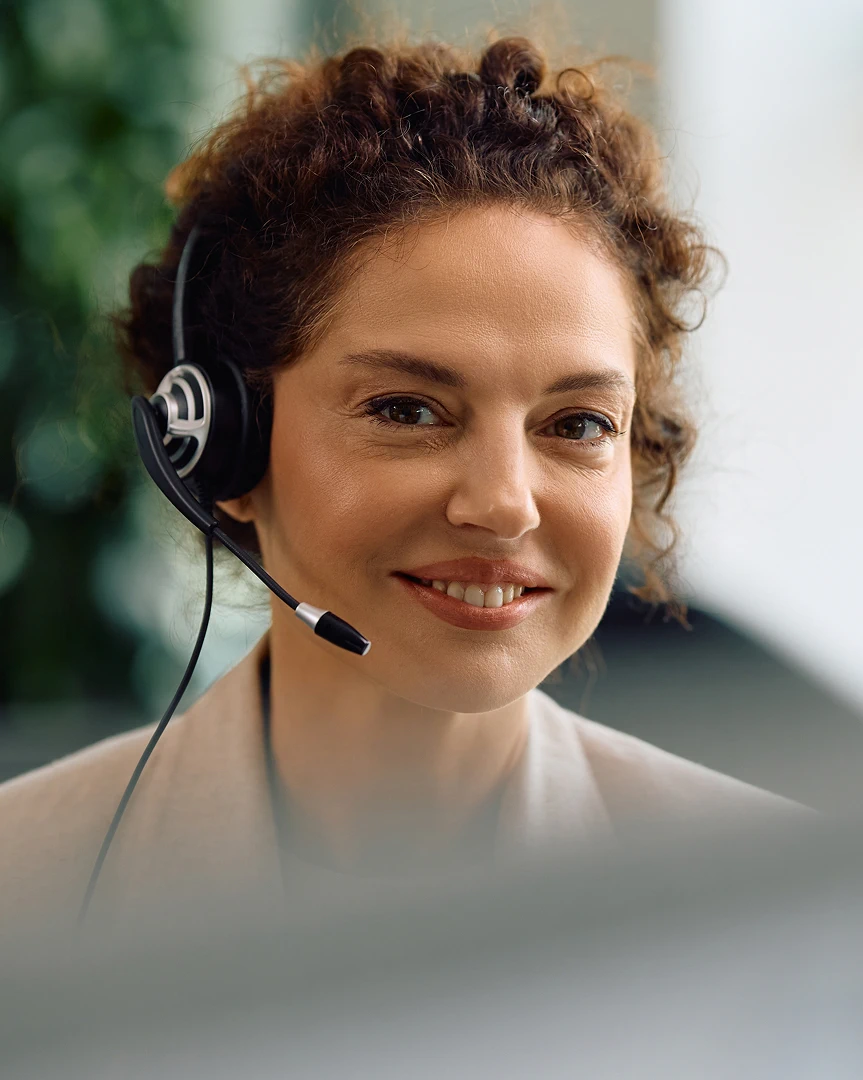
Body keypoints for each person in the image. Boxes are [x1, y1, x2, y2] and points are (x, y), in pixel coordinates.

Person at [0, 34, 799, 929]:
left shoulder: (778, 910)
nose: (504, 503)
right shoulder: (22, 895)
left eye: (577, 425)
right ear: (221, 445)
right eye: (408, 410)